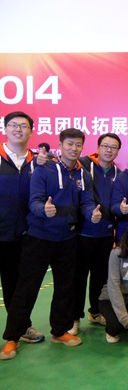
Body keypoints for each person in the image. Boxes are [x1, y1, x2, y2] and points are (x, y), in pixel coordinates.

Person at [1, 128, 101, 360]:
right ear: (60, 145)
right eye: (69, 144)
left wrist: (91, 214)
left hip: (67, 239)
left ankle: (59, 331)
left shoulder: (83, 175)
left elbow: (86, 202)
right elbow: (34, 201)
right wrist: (42, 210)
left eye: (78, 145)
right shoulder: (44, 170)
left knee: (65, 288)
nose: (74, 148)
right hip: (38, 238)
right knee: (26, 290)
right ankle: (13, 337)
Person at [0, 111, 46, 349]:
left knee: (16, 285)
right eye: (13, 125)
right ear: (5, 128)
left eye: (24, 126)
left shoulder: (38, 162)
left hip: (24, 235)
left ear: (31, 131)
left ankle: (20, 327)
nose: (18, 129)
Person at [71, 133, 122, 335]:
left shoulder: (119, 174)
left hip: (106, 234)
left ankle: (96, 312)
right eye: (105, 146)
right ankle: (74, 317)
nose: (109, 150)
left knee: (100, 278)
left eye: (113, 147)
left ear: (118, 151)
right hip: (83, 233)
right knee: (78, 278)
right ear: (98, 147)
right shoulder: (82, 165)